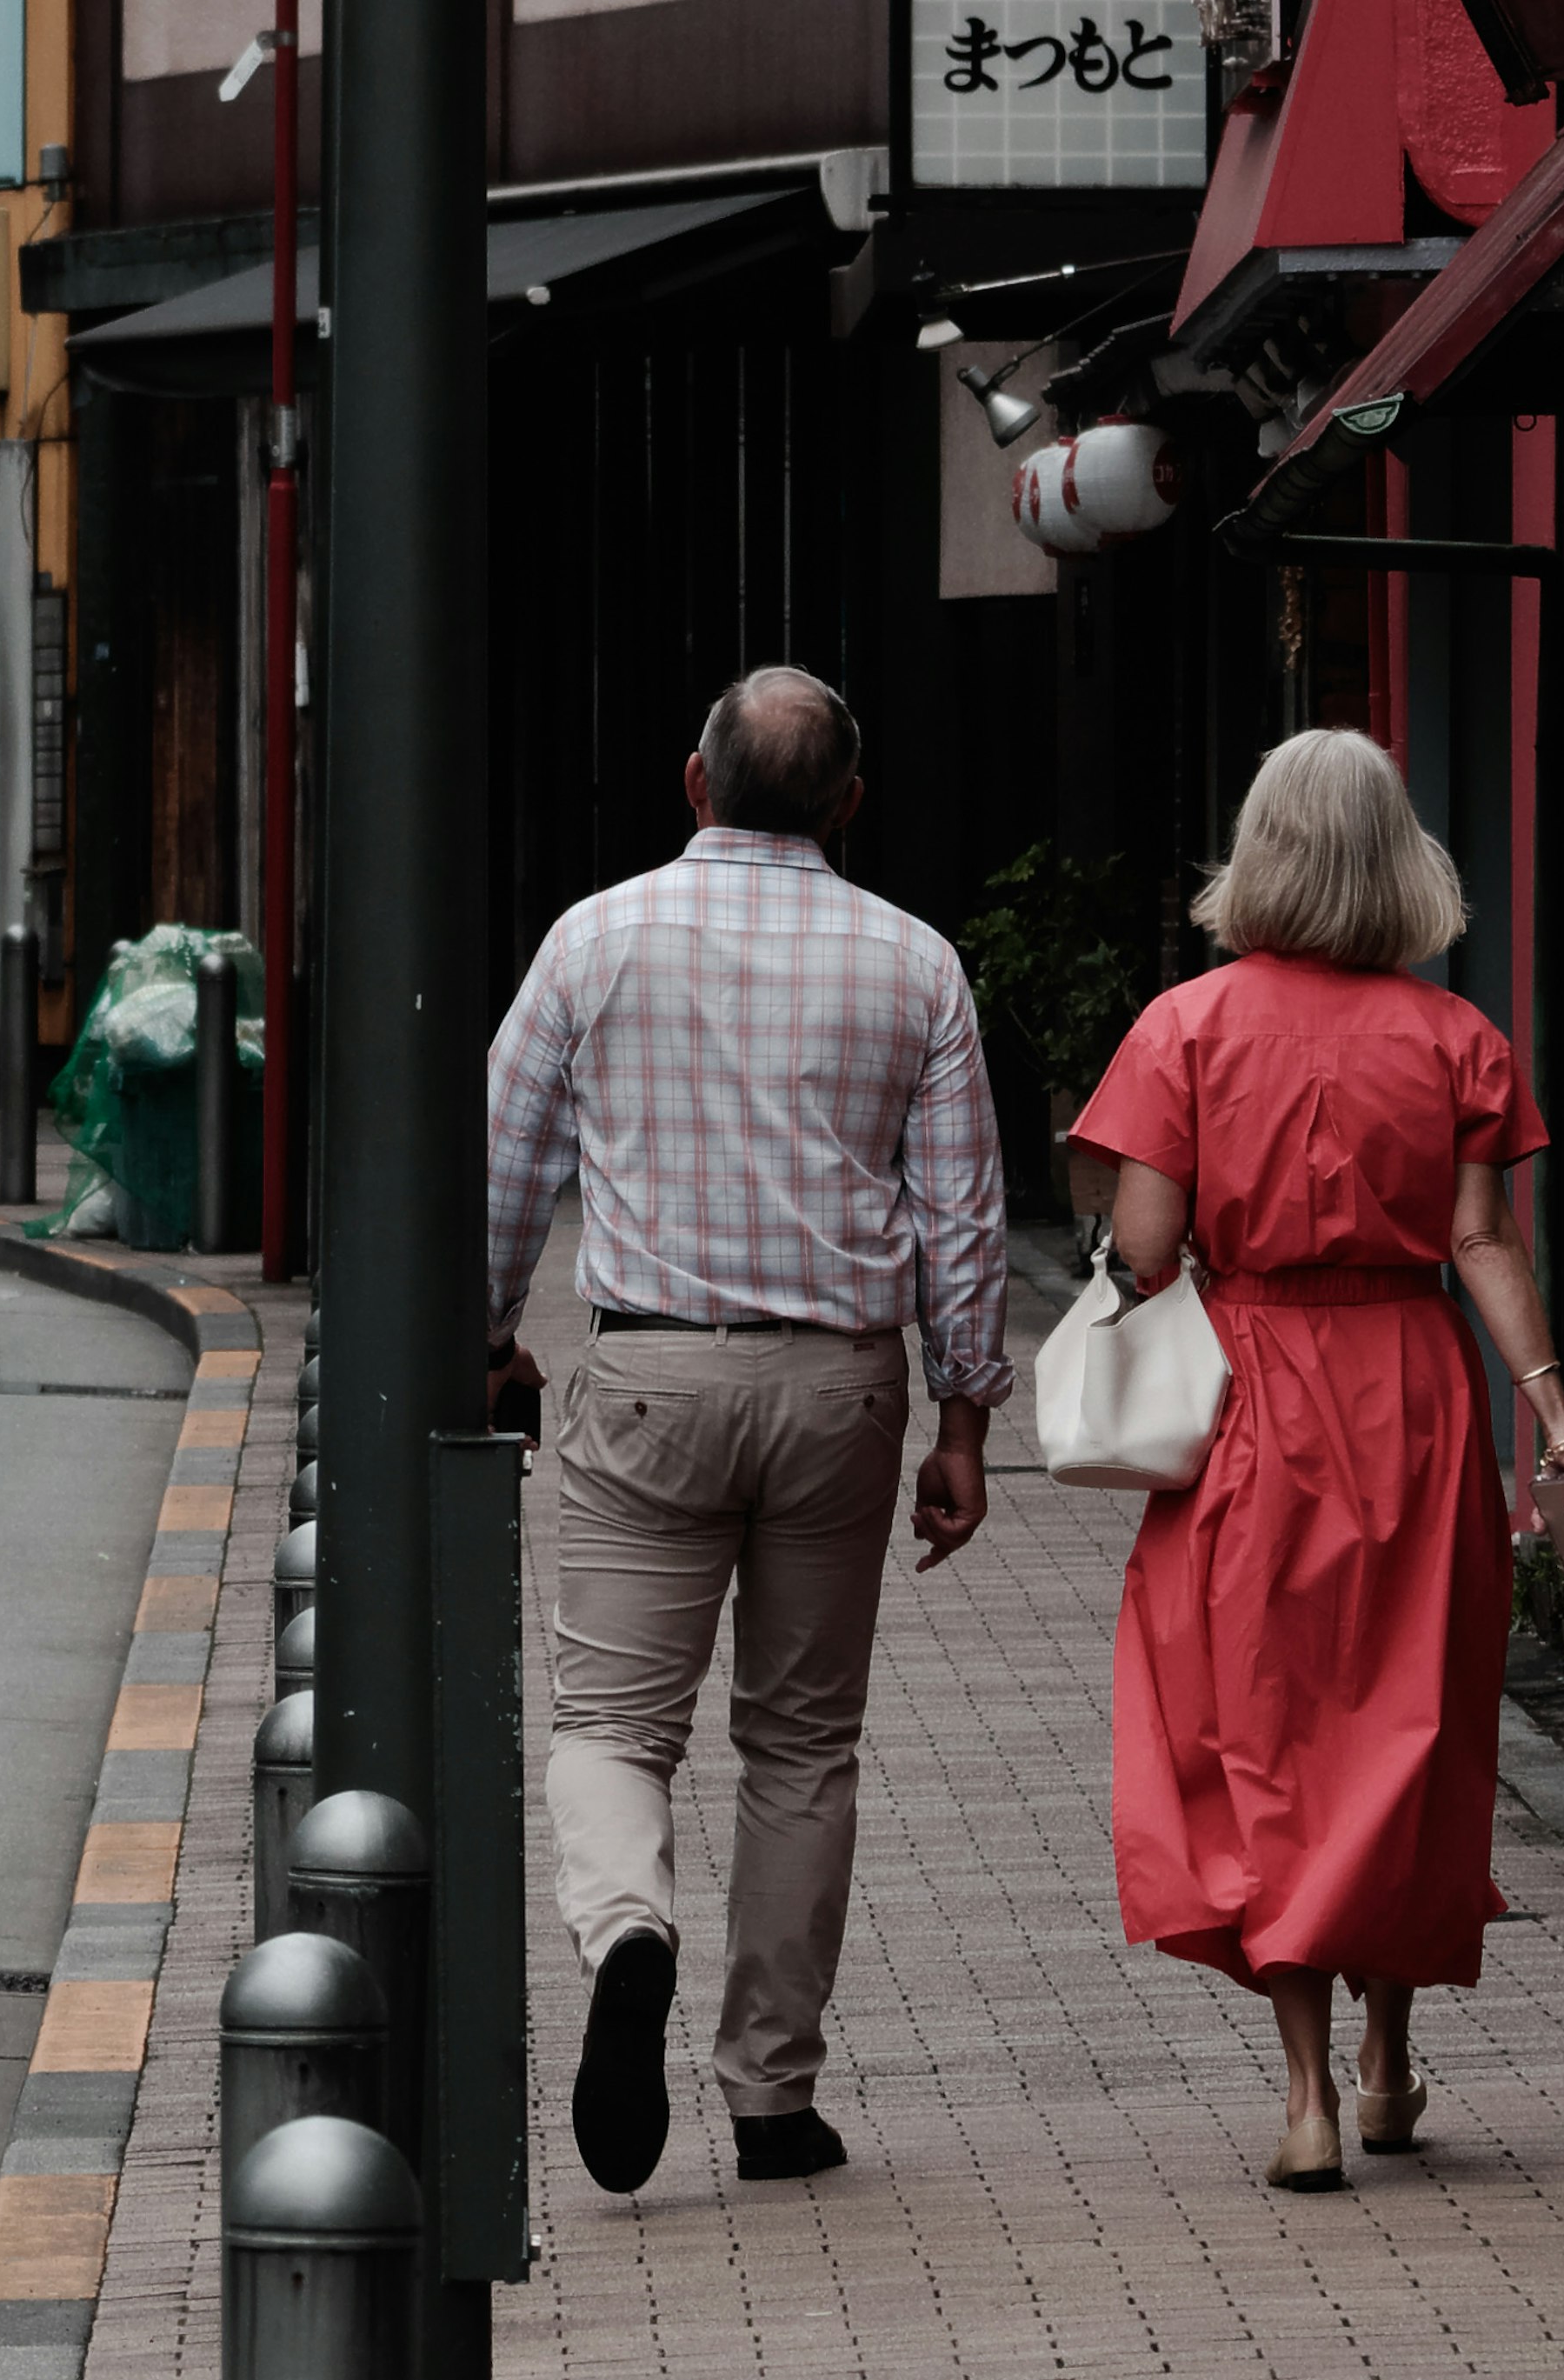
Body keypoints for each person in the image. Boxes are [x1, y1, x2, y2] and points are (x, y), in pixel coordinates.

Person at [1068, 724, 1564, 2194]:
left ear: (1262, 853)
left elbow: (1145, 1253)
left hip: (1248, 1398)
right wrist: (1555, 1418)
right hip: (1413, 1394)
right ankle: (1389, 2065)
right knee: (1407, 1726)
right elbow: (1484, 1242)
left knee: (1264, 1729)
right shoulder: (1455, 1039)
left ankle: (1307, 2094)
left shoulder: (1182, 1029)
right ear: (1397, 860)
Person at [486, 663, 1008, 2206]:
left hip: (649, 1379)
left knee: (608, 1728)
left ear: (695, 782)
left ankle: (627, 1930)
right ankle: (773, 2099)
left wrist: (485, 1336)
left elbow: (506, 1161)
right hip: (840, 1390)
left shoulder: (597, 937)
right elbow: (963, 1216)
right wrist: (966, 1412)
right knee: (799, 1745)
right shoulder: (916, 964)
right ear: (850, 805)